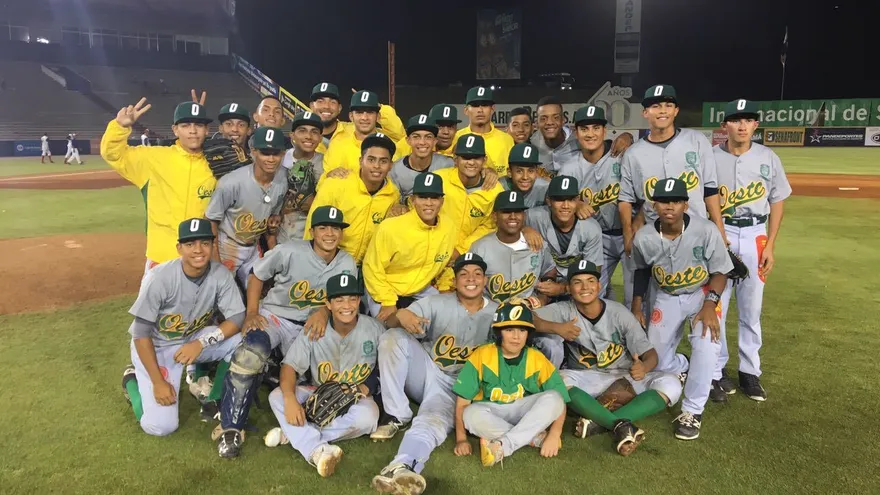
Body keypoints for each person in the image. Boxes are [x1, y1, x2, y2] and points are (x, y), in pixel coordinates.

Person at [215, 206, 357, 458]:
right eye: (323, 227)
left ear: (341, 233)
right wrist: (251, 312)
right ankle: (231, 426)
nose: (329, 233)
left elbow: (345, 300)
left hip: (313, 327)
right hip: (276, 317)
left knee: (320, 382)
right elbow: (256, 276)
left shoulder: (346, 262)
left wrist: (324, 312)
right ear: (312, 231)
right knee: (251, 352)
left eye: (335, 228)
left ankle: (290, 403)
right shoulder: (290, 249)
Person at [370, 253, 499, 494]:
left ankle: (402, 466)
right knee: (392, 338)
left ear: (485, 280)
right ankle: (397, 413)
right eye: (464, 274)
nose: (470, 279)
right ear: (455, 279)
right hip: (428, 372)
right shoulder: (437, 302)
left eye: (477, 274)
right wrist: (401, 314)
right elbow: (390, 324)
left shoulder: (498, 313)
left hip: (462, 388)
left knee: (431, 422)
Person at [535, 259, 682, 456]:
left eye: (590, 281)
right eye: (577, 282)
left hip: (625, 375)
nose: (585, 287)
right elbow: (526, 318)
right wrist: (556, 328)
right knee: (556, 381)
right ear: (568, 288)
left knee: (671, 384)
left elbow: (650, 354)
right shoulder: (563, 310)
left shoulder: (618, 312)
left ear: (599, 285)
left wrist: (645, 367)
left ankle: (601, 422)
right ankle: (619, 425)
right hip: (589, 378)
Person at [120, 219, 245, 437]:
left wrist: (201, 343)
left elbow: (237, 317)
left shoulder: (220, 274)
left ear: (212, 245)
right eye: (190, 244)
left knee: (243, 342)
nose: (198, 250)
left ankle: (214, 399)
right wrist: (158, 382)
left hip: (192, 339)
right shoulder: (159, 278)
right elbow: (140, 335)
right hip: (157, 348)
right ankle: (132, 380)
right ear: (179, 248)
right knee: (161, 427)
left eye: (204, 243)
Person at [630, 178, 733, 441]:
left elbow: (721, 271)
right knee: (655, 361)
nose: (669, 207)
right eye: (663, 201)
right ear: (654, 205)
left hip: (701, 294)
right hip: (666, 296)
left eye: (675, 201)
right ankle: (683, 366)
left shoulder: (705, 230)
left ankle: (692, 410)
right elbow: (641, 270)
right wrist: (637, 305)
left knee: (707, 342)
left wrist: (711, 303)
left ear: (685, 204)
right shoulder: (644, 237)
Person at [711, 99, 791, 402]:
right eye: (735, 119)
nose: (742, 125)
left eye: (748, 120)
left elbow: (777, 200)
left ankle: (749, 372)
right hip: (722, 233)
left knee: (751, 309)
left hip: (756, 233)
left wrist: (770, 244)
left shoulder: (767, 157)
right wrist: (716, 235)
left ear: (756, 125)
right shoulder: (711, 157)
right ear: (725, 126)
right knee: (717, 307)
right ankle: (716, 371)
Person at [266, 273, 383, 478]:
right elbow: (289, 367)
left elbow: (388, 365)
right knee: (277, 395)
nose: (346, 305)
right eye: (339, 299)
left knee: (369, 417)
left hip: (357, 396)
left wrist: (369, 385)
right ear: (328, 304)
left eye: (352, 298)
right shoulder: (315, 328)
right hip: (317, 391)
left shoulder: (374, 329)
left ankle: (299, 437)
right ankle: (314, 447)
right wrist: (290, 399)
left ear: (358, 301)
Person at [101, 98, 215, 270]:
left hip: (201, 257)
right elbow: (114, 155)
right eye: (185, 125)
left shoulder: (217, 164)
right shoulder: (153, 159)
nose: (192, 131)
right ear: (175, 130)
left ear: (207, 130)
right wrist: (120, 126)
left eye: (198, 125)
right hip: (162, 257)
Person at [452, 302, 570, 467]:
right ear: (499, 333)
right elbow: (462, 403)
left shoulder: (536, 357)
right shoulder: (482, 355)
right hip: (492, 411)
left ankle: (502, 444)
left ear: (528, 334)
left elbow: (560, 401)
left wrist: (554, 434)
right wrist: (461, 439)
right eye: (509, 330)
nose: (516, 336)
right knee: (470, 414)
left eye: (522, 330)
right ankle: (534, 438)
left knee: (555, 398)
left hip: (524, 411)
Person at [619, 84, 727, 262]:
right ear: (645, 112)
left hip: (697, 232)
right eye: (655, 106)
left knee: (697, 286)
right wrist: (628, 234)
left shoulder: (696, 141)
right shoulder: (633, 154)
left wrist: (719, 231)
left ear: (676, 110)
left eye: (668, 105)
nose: (662, 111)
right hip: (653, 234)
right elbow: (626, 199)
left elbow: (710, 189)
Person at [469, 190, 564, 366]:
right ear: (495, 216)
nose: (513, 216)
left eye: (518, 211)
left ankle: (547, 387)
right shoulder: (480, 248)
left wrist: (542, 298)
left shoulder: (537, 243)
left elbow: (549, 273)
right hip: (493, 316)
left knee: (553, 345)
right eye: (506, 212)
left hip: (531, 314)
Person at [557, 105, 634, 306]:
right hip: (597, 240)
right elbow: (558, 202)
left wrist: (628, 136)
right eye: (584, 129)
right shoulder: (569, 168)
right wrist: (576, 203)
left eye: (595, 128)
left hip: (630, 233)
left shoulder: (623, 155)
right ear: (576, 132)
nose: (590, 134)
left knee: (635, 299)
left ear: (604, 131)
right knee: (590, 296)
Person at [362, 172, 456, 322]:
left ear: (442, 201)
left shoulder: (448, 227)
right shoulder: (391, 227)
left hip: (421, 289)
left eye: (434, 198)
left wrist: (445, 285)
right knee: (392, 327)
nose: (429, 203)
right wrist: (388, 301)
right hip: (385, 288)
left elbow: (445, 262)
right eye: (423, 197)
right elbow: (372, 268)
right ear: (412, 200)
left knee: (450, 316)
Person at [204, 127, 288, 288]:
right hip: (227, 244)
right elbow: (210, 220)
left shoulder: (283, 178)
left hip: (253, 246)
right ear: (253, 152)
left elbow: (274, 212)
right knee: (220, 293)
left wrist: (273, 222)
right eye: (265, 152)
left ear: (283, 153)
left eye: (275, 153)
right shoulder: (231, 183)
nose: (271, 158)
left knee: (259, 290)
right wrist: (215, 259)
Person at [304, 133, 401, 265]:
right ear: (361, 161)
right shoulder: (337, 183)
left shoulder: (393, 195)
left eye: (383, 161)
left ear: (391, 165)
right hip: (330, 261)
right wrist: (309, 262)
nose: (377, 166)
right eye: (371, 160)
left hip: (366, 267)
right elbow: (313, 224)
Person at [524, 175, 603, 285]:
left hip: (577, 282)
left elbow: (593, 272)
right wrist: (524, 229)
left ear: (577, 201)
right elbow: (509, 222)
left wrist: (563, 289)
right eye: (559, 199)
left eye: (570, 199)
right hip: (543, 279)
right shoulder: (534, 216)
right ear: (549, 201)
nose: (565, 205)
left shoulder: (591, 228)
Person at [322, 90, 405, 175]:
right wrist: (329, 176)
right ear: (351, 116)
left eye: (370, 112)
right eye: (359, 112)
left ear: (378, 116)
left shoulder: (391, 146)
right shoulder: (337, 147)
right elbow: (324, 183)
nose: (364, 117)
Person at [309, 82, 405, 153]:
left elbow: (398, 137)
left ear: (339, 108)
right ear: (312, 106)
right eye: (320, 101)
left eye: (332, 102)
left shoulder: (356, 128)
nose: (326, 106)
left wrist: (371, 104)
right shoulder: (304, 137)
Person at [277, 111, 325, 244]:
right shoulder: (278, 160)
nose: (308, 136)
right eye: (302, 131)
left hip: (310, 237)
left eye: (314, 132)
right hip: (279, 234)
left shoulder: (327, 164)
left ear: (320, 138)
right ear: (292, 135)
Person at [387, 115, 454, 205]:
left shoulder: (448, 164)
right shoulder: (394, 170)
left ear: (435, 141)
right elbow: (392, 203)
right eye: (416, 137)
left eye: (428, 137)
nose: (422, 142)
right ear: (408, 140)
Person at [451, 86, 515, 175]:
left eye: (484, 105)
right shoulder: (457, 137)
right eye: (475, 105)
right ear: (466, 110)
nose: (480, 110)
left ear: (492, 109)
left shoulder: (507, 139)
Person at [530, 96, 578, 177]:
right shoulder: (531, 145)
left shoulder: (579, 143)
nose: (549, 122)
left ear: (563, 120)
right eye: (543, 118)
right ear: (536, 123)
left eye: (555, 117)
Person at [499, 142, 549, 208]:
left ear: (536, 172)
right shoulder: (498, 187)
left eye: (530, 171)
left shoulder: (546, 189)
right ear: (509, 172)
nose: (525, 177)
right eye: (519, 171)